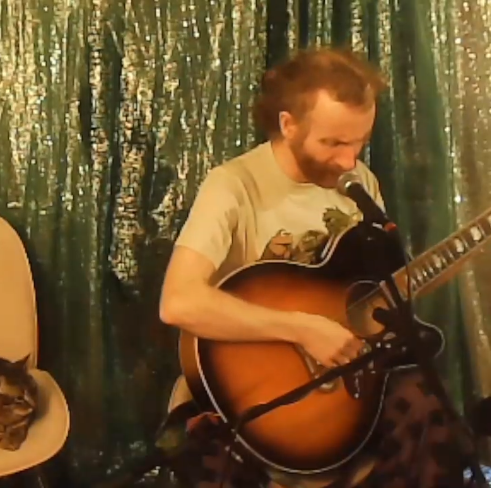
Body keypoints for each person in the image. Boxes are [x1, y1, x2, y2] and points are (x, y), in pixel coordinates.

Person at [159, 47, 470, 488]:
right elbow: (179, 302)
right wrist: (303, 329)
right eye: (334, 143)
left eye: (360, 141)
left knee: (426, 405)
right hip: (254, 392)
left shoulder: (360, 183)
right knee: (203, 452)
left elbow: (370, 296)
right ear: (288, 124)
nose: (349, 160)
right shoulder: (233, 186)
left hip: (345, 393)